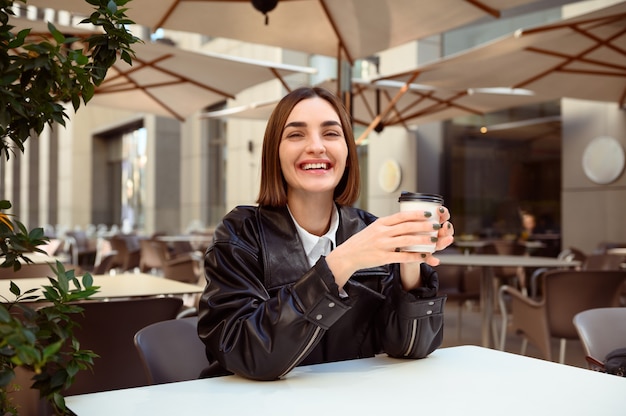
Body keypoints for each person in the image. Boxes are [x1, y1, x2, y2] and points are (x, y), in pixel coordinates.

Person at [197, 87, 455, 381]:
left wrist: (410, 262)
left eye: (331, 134)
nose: (316, 146)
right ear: (274, 153)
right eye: (296, 135)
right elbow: (249, 354)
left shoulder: (369, 231)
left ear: (347, 152)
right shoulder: (241, 235)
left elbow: (411, 349)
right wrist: (341, 263)